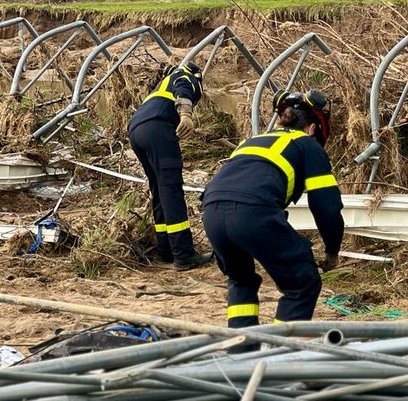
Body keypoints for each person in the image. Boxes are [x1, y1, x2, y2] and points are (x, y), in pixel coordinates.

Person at [201, 88, 344, 336]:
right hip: (252, 213)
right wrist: (332, 250)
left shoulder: (252, 141)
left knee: (240, 279)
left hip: (212, 212)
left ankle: (242, 350)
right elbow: (326, 207)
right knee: (302, 283)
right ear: (312, 128)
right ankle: (280, 354)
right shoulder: (307, 145)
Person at [128, 61, 213, 271]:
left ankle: (165, 248)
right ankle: (183, 254)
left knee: (159, 188)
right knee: (171, 189)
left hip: (136, 130)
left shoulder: (159, 89)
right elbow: (184, 86)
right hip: (158, 127)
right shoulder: (185, 75)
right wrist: (186, 115)